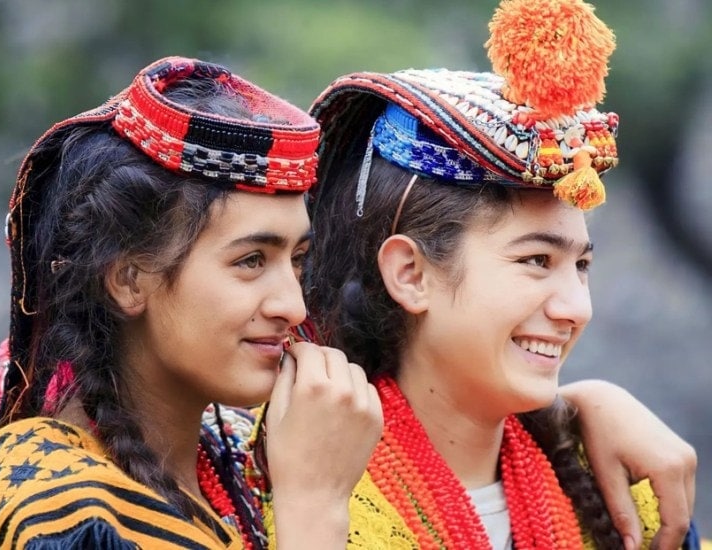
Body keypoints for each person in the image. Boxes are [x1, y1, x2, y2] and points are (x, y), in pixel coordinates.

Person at [262, 0, 705, 548]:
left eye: (582, 265)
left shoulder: (628, 496)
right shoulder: (283, 494)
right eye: (536, 261)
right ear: (410, 274)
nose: (577, 308)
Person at [0, 56, 384, 549]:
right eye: (250, 261)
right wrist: (313, 506)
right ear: (129, 280)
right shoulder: (61, 514)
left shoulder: (240, 457)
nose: (294, 307)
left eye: (298, 261)